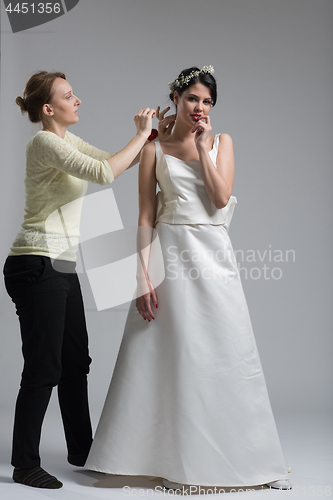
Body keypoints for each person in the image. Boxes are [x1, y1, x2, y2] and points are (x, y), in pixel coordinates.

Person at [85, 66, 292, 491]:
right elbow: (144, 216)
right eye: (193, 99)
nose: (200, 108)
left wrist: (201, 149)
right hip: (168, 256)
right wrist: (142, 277)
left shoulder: (221, 142)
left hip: (212, 257)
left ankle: (242, 456)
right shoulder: (152, 149)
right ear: (175, 97)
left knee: (223, 350)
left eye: (207, 102)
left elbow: (219, 200)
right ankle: (154, 454)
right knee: (162, 354)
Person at [3, 70, 161, 490]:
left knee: (76, 362)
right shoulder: (45, 142)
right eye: (69, 96)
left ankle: (81, 451)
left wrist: (146, 138)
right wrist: (142, 134)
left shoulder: (70, 142)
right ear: (49, 109)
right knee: (45, 364)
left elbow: (111, 164)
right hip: (35, 262)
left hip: (61, 265)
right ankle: (24, 464)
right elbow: (105, 175)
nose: (78, 100)